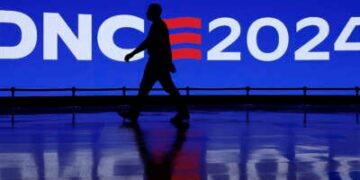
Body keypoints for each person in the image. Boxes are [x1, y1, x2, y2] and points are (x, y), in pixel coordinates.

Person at [120, 3, 190, 125]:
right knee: (165, 89)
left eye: (149, 11)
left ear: (155, 12)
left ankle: (134, 114)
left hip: (156, 63)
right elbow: (165, 45)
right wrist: (169, 62)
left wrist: (132, 54)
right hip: (159, 63)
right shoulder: (158, 25)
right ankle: (183, 112)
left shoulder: (158, 26)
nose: (147, 13)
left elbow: (151, 43)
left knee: (147, 88)